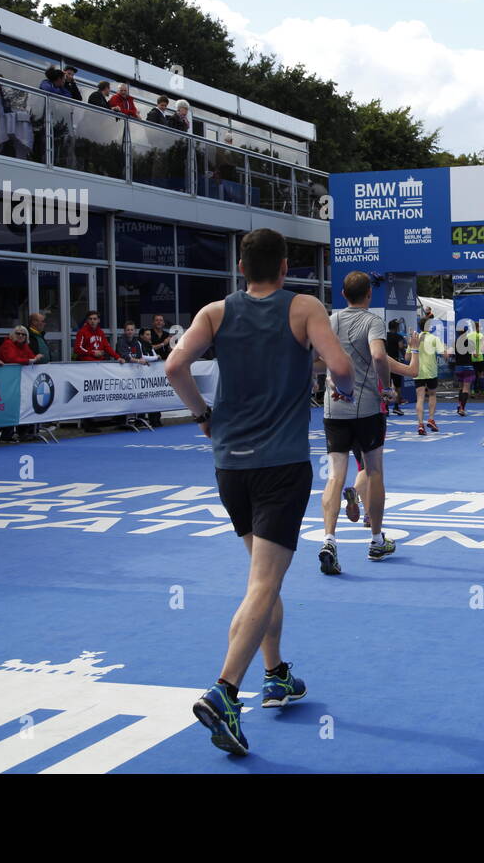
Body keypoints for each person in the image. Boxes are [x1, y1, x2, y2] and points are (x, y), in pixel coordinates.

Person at [165, 227, 353, 756]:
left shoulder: (215, 312)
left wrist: (202, 414)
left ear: (241, 267)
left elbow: (175, 366)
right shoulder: (303, 308)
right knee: (264, 583)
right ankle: (225, 690)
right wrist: (335, 385)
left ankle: (275, 674)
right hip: (281, 465)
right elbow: (340, 366)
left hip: (230, 465)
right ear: (285, 266)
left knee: (260, 580)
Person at [318, 271, 420, 574]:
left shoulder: (330, 320)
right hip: (367, 410)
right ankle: (376, 540)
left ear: (343, 293)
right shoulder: (372, 321)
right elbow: (378, 357)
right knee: (374, 473)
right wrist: (387, 387)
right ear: (368, 295)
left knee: (335, 476)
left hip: (333, 409)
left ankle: (329, 540)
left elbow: (318, 358)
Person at [0, 325, 41, 441]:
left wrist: (34, 358)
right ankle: (3, 432)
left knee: (23, 405)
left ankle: (22, 432)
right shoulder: (7, 344)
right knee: (8, 406)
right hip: (7, 380)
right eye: (18, 333)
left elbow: (31, 357)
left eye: (23, 334)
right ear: (13, 334)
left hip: (21, 382)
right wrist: (30, 360)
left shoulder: (25, 346)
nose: (20, 336)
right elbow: (11, 359)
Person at [414, 317, 445, 436]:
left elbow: (407, 358)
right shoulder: (434, 338)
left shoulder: (415, 339)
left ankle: (420, 424)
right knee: (432, 395)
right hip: (431, 372)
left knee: (420, 398)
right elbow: (443, 353)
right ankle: (431, 419)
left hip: (418, 372)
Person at [453, 320, 479, 416]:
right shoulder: (469, 342)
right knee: (466, 389)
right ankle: (462, 409)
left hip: (458, 367)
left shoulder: (455, 342)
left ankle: (459, 405)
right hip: (468, 367)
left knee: (461, 388)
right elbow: (475, 355)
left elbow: (452, 354)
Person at [384, 319, 407, 415]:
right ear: (396, 327)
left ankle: (385, 408)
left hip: (385, 363)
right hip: (395, 363)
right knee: (398, 387)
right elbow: (401, 347)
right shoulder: (398, 337)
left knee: (386, 386)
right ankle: (396, 407)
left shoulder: (384, 336)